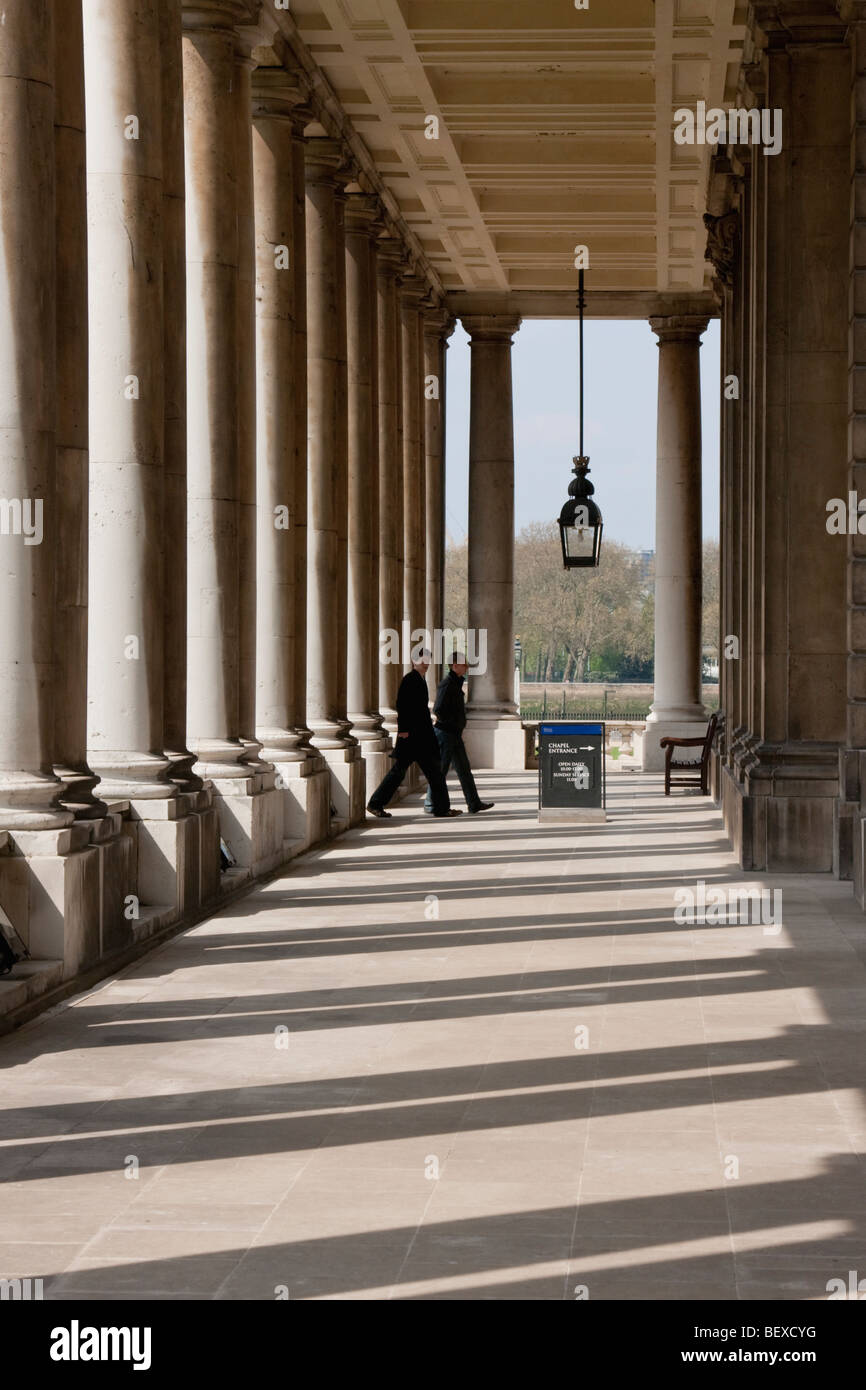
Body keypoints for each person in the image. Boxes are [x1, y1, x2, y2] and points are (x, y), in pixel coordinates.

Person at [367, 649, 462, 820]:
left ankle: (441, 808)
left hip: (420, 738)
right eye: (423, 660)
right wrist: (403, 731)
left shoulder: (418, 680)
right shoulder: (410, 680)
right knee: (412, 772)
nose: (426, 663)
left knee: (429, 773)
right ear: (414, 661)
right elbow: (402, 706)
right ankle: (376, 803)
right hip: (412, 738)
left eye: (428, 660)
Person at [424, 652, 494, 815]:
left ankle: (474, 803)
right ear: (454, 665)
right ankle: (430, 804)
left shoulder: (454, 683)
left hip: (453, 734)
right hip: (446, 734)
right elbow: (438, 709)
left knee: (464, 769)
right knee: (440, 771)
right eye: (464, 664)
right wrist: (453, 722)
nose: (467, 667)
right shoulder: (448, 684)